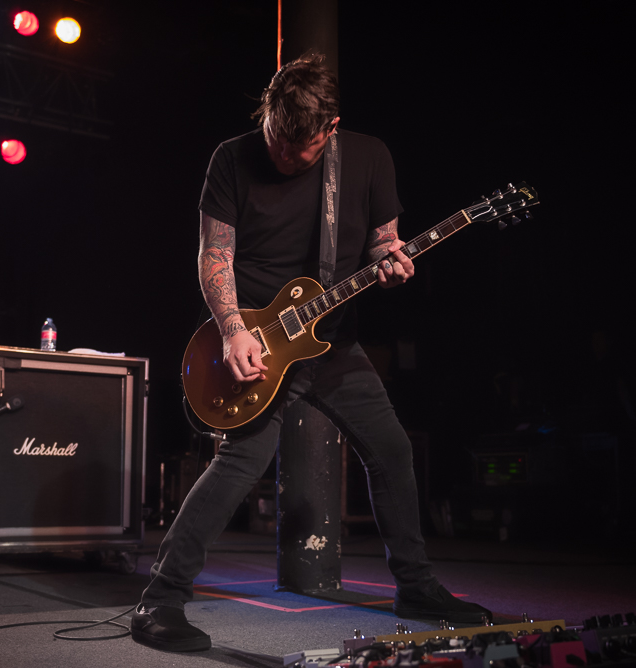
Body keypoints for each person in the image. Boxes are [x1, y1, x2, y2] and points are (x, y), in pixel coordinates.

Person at [130, 53, 491, 653]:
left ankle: (417, 587)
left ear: (331, 128)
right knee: (240, 464)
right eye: (276, 139)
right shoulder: (232, 157)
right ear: (266, 114)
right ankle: (160, 599)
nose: (284, 155)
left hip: (331, 343)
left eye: (300, 148)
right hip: (254, 342)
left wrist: (391, 266)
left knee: (394, 452)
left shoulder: (370, 156)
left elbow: (383, 243)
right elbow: (214, 255)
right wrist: (231, 329)